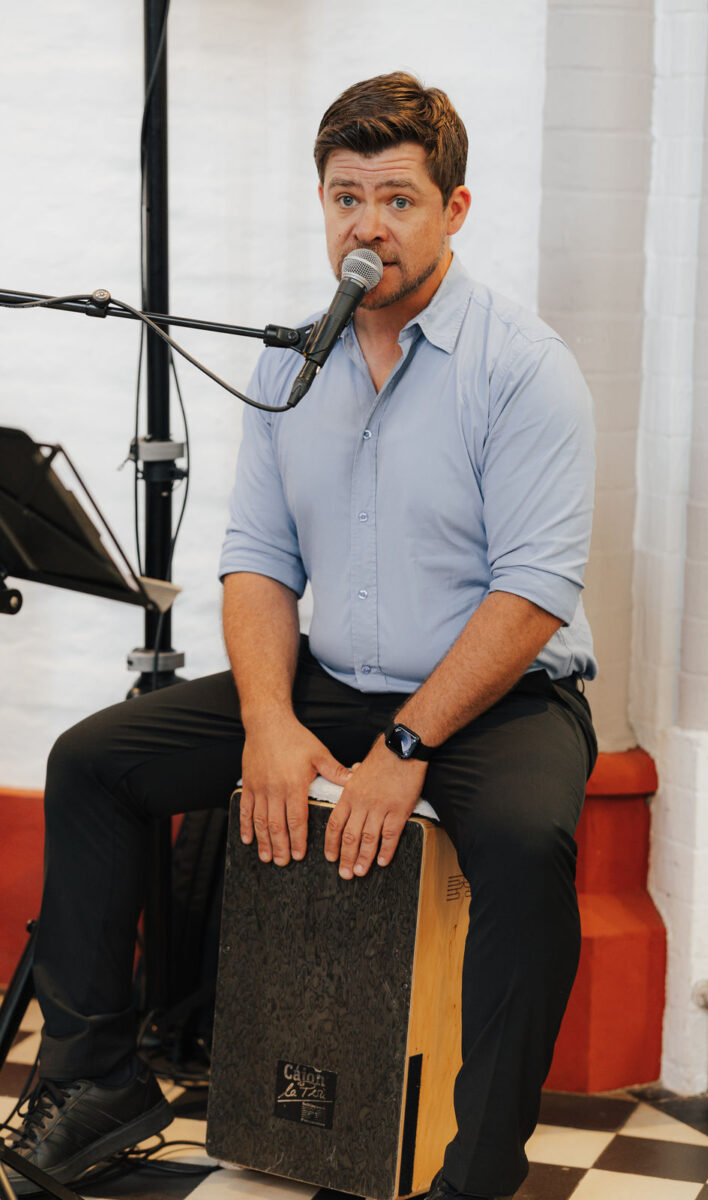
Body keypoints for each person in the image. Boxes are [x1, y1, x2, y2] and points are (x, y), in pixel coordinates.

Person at [3, 72, 598, 1198]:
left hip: (499, 696)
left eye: (397, 199)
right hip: (332, 678)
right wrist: (268, 723)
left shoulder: (522, 369)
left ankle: (479, 1169)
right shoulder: (291, 358)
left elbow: (531, 592)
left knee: (527, 848)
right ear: (320, 205)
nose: (366, 225)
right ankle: (98, 1082)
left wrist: (407, 750)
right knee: (95, 763)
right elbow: (259, 561)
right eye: (343, 197)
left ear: (453, 210)